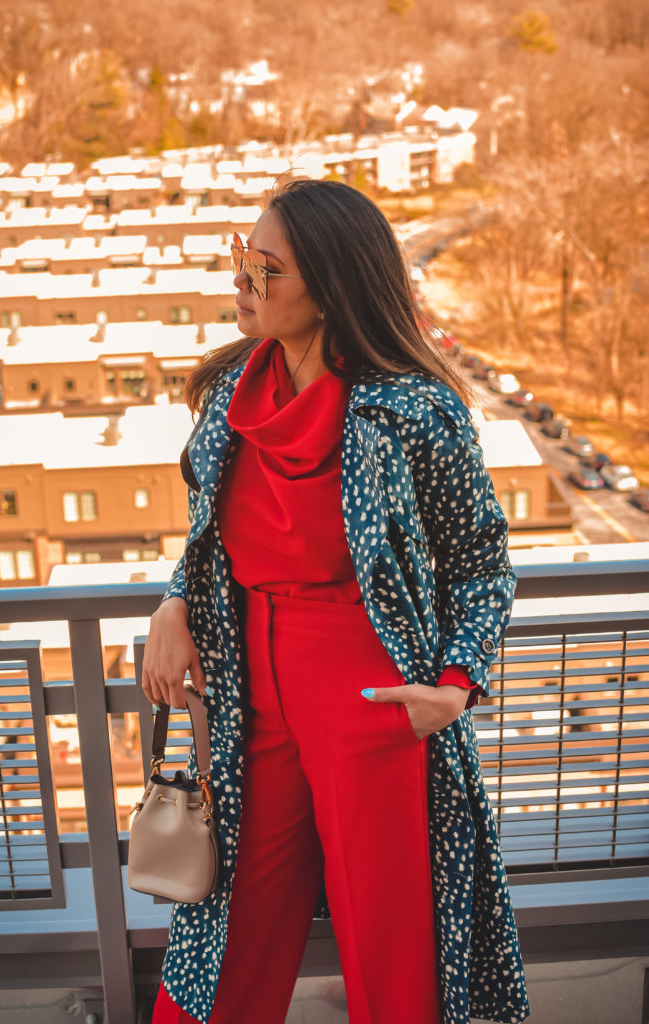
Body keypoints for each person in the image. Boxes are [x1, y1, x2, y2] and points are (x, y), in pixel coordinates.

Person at [142, 178, 530, 1024]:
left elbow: (481, 562)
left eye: (266, 268)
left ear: (331, 286)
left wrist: (457, 684)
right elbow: (213, 540)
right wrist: (175, 602)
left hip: (372, 700)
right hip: (252, 701)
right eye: (239, 257)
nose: (240, 281)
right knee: (227, 927)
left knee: (394, 949)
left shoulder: (413, 411)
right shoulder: (229, 399)